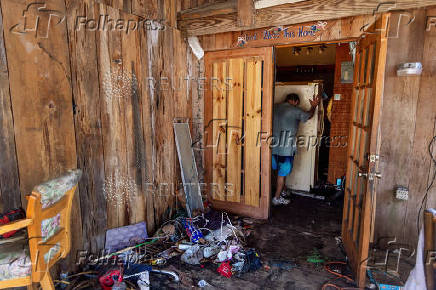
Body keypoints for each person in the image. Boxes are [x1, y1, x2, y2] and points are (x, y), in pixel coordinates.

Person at [271, 93, 320, 206]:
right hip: (286, 149)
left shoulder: (274, 107)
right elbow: (309, 115)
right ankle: (276, 198)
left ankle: (282, 191)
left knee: (275, 171)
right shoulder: (294, 110)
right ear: (295, 101)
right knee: (282, 174)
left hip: (272, 147)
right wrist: (314, 106)